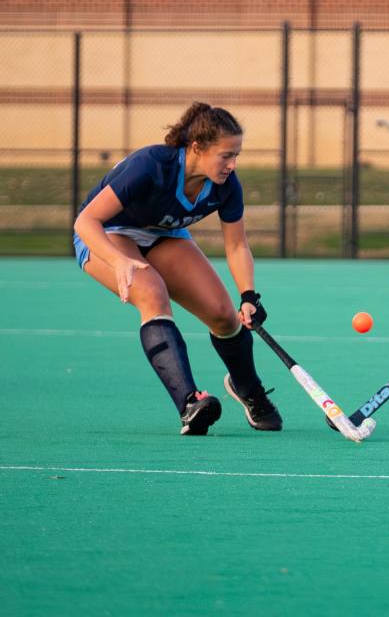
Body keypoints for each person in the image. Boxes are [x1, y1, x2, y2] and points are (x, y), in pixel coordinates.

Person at [73, 102, 283, 436]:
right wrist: (118, 260)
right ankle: (189, 404)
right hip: (107, 235)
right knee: (152, 294)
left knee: (224, 315)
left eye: (236, 155)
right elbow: (86, 220)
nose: (232, 164)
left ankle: (248, 389)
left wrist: (248, 296)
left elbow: (236, 245)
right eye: (226, 155)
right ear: (197, 148)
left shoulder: (226, 185)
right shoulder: (151, 166)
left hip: (163, 234)